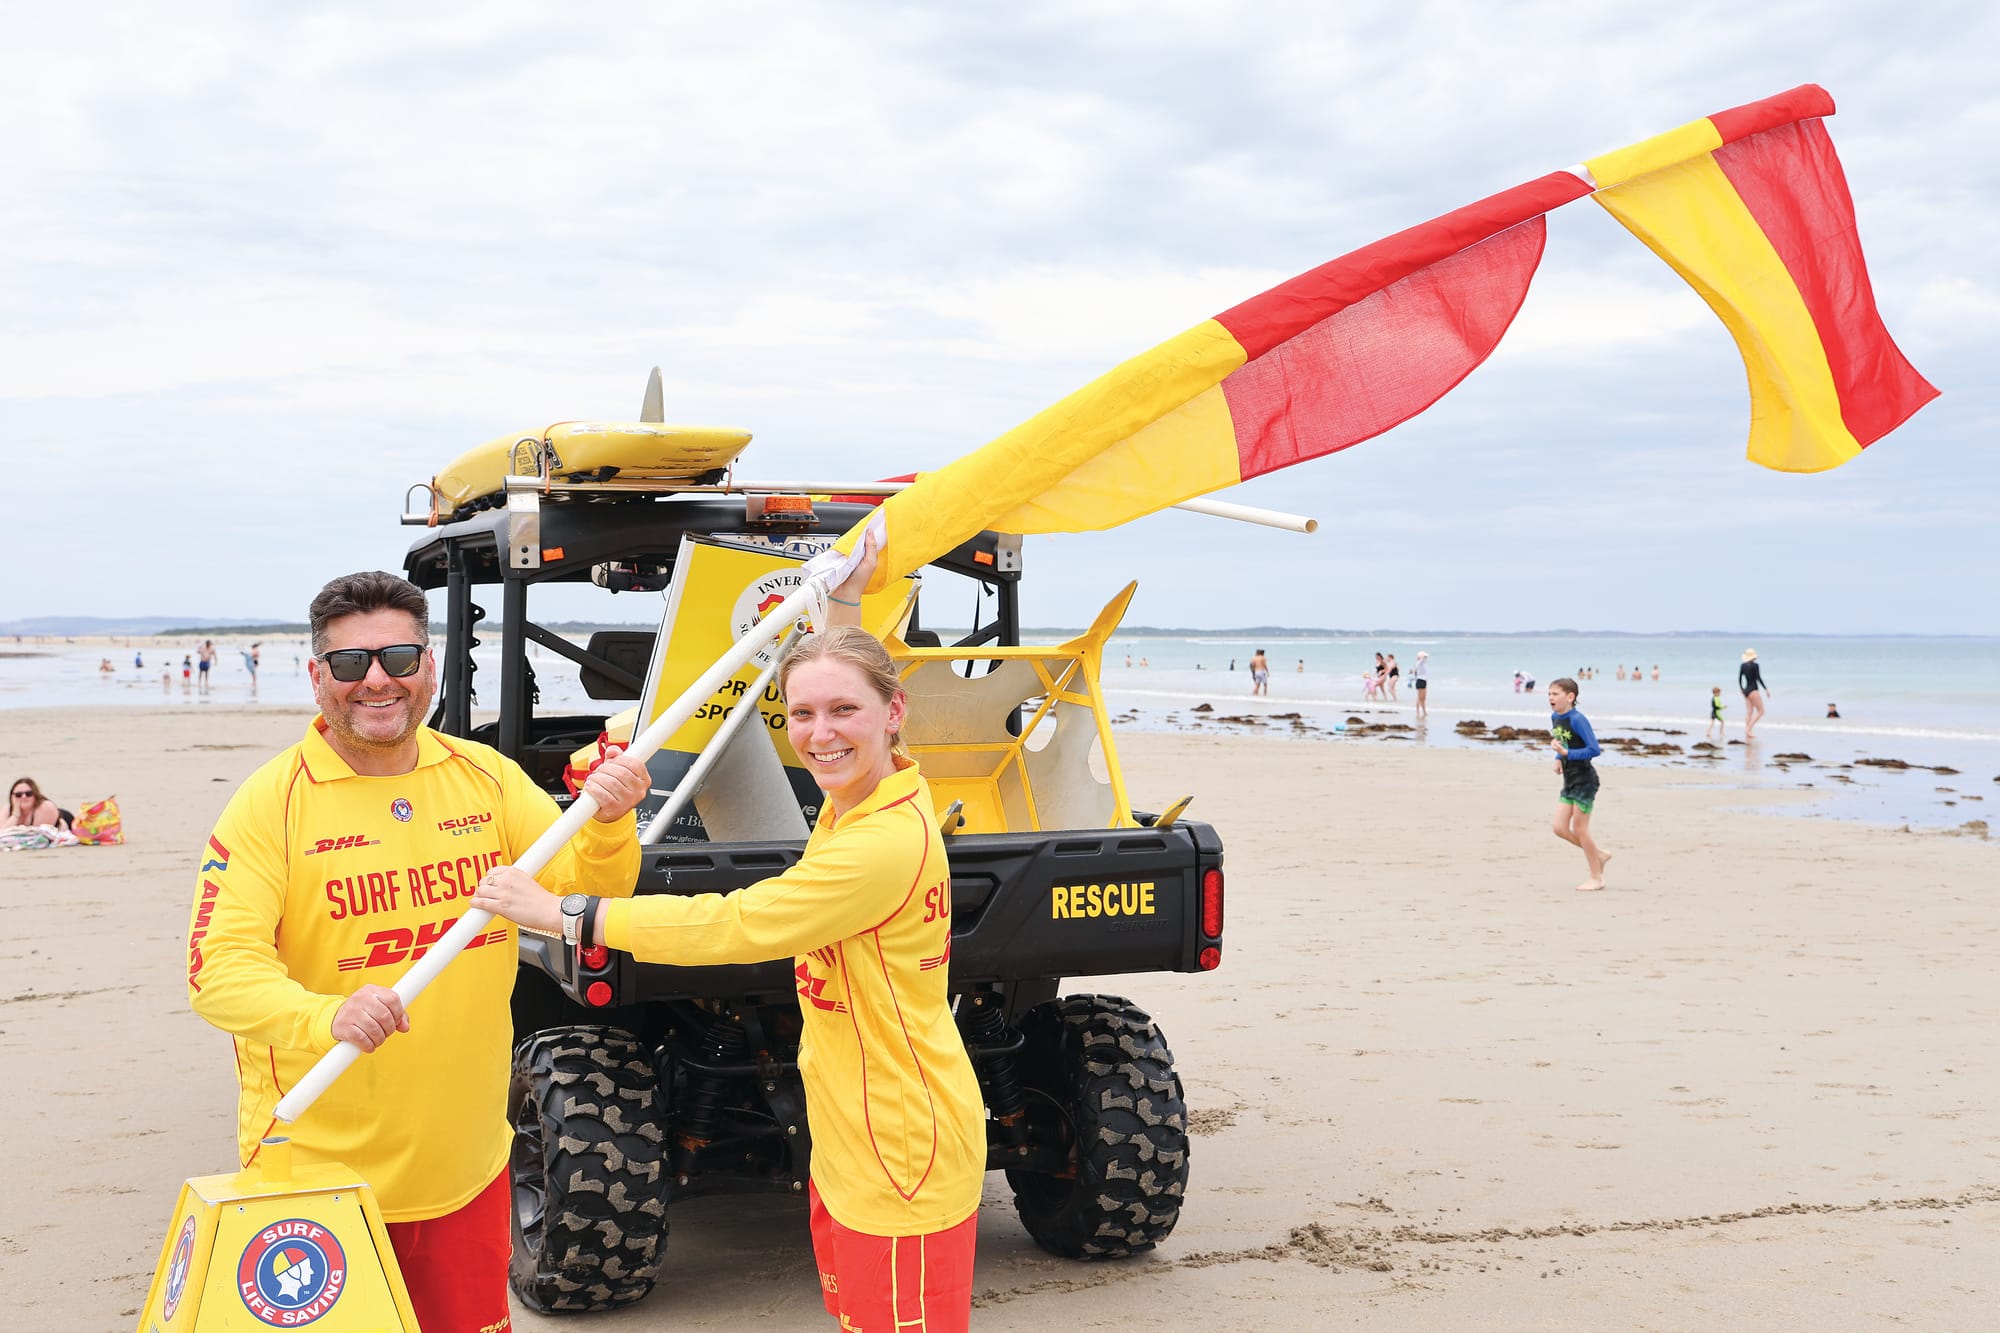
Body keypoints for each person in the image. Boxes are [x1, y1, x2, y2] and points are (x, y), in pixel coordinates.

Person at [473, 565, 984, 1331]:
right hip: (853, 1131)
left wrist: (566, 912)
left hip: (902, 1145)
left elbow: (737, 925)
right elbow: (843, 680)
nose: (820, 733)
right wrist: (844, 598)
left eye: (845, 709)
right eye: (802, 712)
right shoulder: (862, 802)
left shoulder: (880, 842)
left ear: (894, 711)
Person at [185, 571, 650, 1332]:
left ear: (429, 667)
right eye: (349, 663)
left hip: (467, 1169)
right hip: (317, 1179)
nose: (376, 679)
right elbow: (218, 973)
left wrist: (606, 822)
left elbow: (589, 895)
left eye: (399, 657)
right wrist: (326, 1015)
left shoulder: (486, 779)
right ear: (316, 678)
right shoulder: (273, 803)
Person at [1547, 678, 1611, 892]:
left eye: (1555, 694)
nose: (1550, 698)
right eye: (1549, 694)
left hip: (1585, 780)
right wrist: (1559, 758)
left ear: (1570, 697)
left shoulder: (1578, 719)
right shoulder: (1556, 717)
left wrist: (1568, 754)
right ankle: (1599, 854)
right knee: (1559, 828)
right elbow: (1564, 742)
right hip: (1570, 779)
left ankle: (1597, 877)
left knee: (1580, 829)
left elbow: (1594, 749)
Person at [7, 778, 72, 832]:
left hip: (64, 819)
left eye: (29, 794)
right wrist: (15, 815)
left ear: (35, 795)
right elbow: (2, 833)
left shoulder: (45, 807)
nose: (24, 797)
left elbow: (36, 837)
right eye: (18, 795)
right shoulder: (7, 809)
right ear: (11, 797)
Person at [1738, 648, 1770, 738]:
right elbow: (1758, 678)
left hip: (1746, 690)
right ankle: (1748, 729)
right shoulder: (1755, 666)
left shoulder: (1743, 665)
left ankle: (1748, 731)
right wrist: (1766, 689)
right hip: (1753, 690)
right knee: (1761, 711)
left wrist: (1741, 688)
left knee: (1749, 711)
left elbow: (1740, 678)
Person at [1412, 650, 1431, 719]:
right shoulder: (1419, 663)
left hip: (1423, 681)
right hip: (1420, 681)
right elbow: (1422, 659)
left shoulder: (1422, 663)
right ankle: (1418, 712)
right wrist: (1422, 656)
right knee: (1420, 698)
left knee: (1423, 698)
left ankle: (1424, 711)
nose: (1426, 658)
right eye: (1425, 657)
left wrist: (1423, 657)